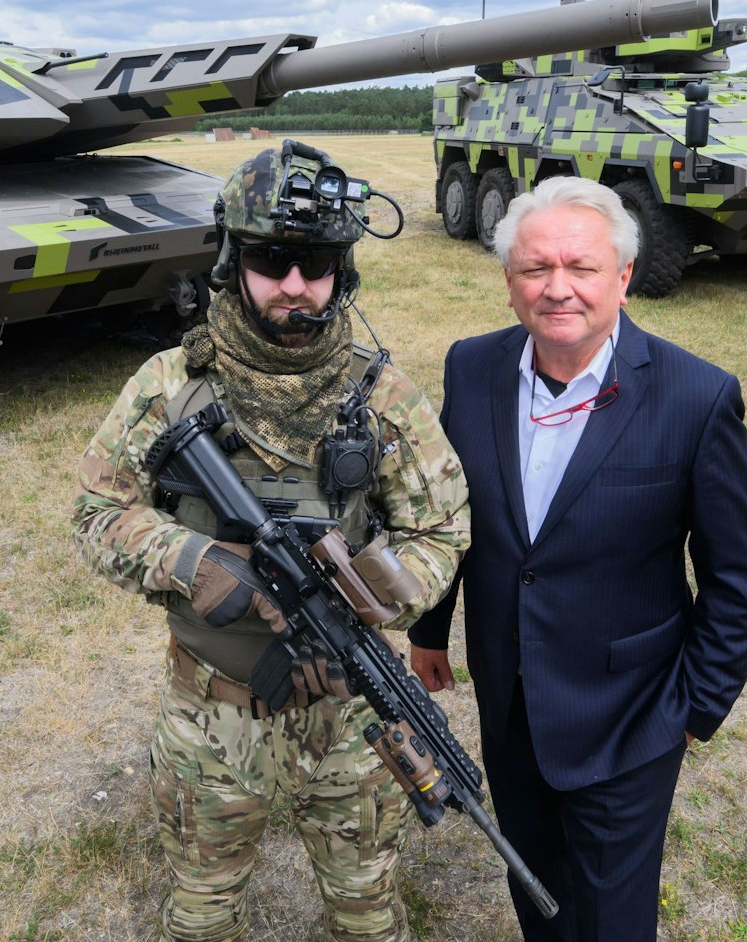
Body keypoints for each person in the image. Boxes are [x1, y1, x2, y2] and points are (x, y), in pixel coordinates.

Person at [74, 143, 469, 942]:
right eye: (272, 259)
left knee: (368, 912)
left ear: (342, 268)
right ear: (234, 258)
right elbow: (96, 510)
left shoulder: (379, 392)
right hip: (213, 713)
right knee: (202, 912)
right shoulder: (169, 384)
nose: (295, 283)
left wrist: (367, 601)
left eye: (317, 262)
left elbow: (443, 525)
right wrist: (192, 560)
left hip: (350, 715)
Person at [407, 175, 747, 941]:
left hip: (630, 716)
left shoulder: (696, 397)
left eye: (582, 268)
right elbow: (451, 512)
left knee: (608, 915)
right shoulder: (471, 369)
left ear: (624, 277)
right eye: (536, 269)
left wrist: (696, 707)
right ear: (509, 283)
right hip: (509, 701)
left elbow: (737, 579)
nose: (558, 288)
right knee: (534, 881)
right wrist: (431, 627)